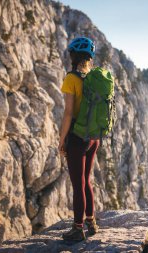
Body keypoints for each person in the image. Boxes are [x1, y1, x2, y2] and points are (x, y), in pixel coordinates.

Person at [58, 37, 100, 241]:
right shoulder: (93, 77)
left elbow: (68, 113)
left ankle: (77, 229)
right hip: (93, 137)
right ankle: (91, 222)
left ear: (74, 56)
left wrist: (61, 139)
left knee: (78, 184)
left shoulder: (71, 78)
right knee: (87, 181)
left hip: (77, 137)